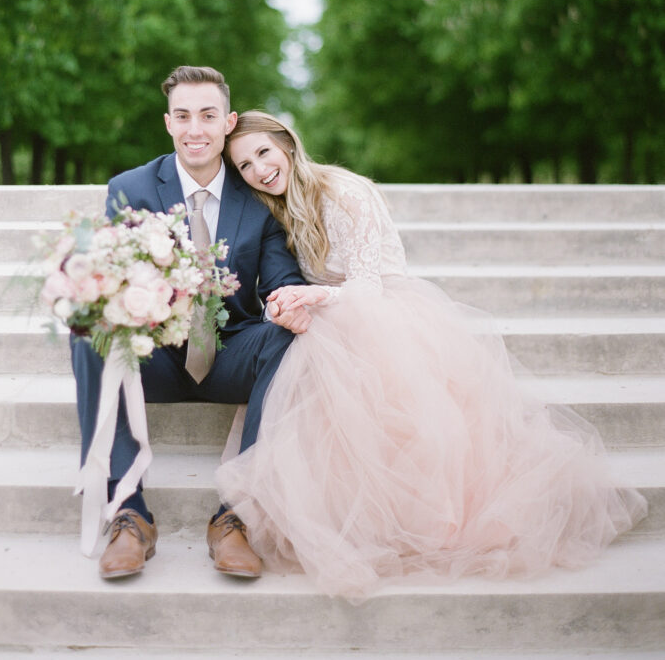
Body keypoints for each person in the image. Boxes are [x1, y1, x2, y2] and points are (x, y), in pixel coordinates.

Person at [217, 111, 648, 600]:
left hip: (380, 311)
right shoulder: (276, 207)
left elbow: (367, 288)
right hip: (333, 316)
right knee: (303, 366)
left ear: (288, 145)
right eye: (245, 164)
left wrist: (314, 299)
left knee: (366, 392)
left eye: (264, 153)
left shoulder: (343, 193)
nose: (259, 169)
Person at [71, 69, 306, 580]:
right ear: (167, 122)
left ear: (229, 122)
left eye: (207, 115)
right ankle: (128, 513)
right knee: (89, 330)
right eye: (183, 116)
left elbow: (282, 278)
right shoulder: (129, 188)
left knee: (289, 337)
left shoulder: (257, 194)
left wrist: (289, 302)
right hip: (155, 356)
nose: (194, 129)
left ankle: (236, 516)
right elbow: (109, 278)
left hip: (229, 355)